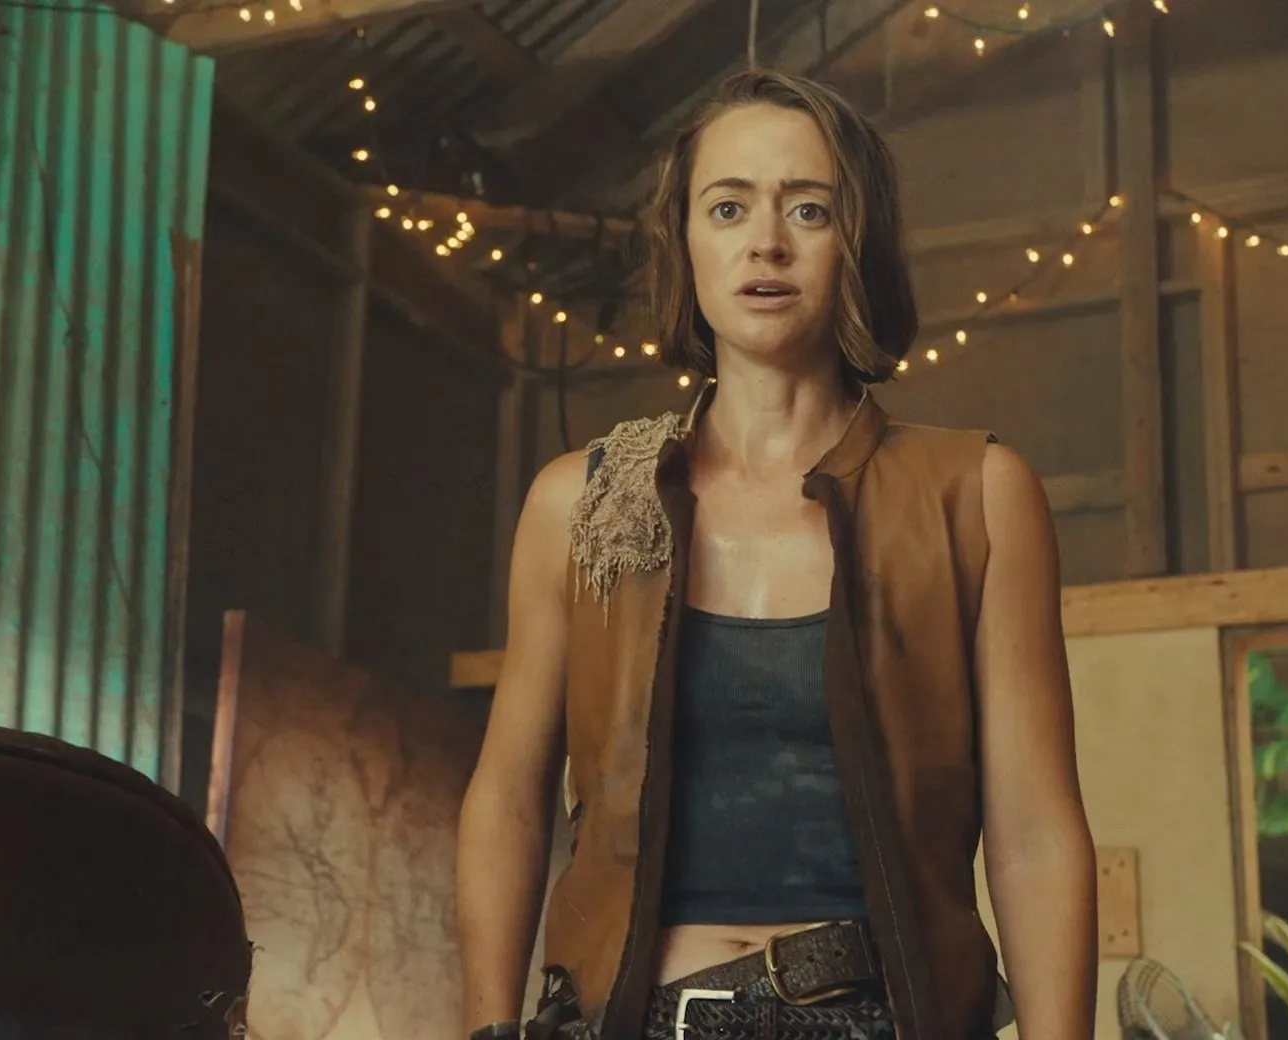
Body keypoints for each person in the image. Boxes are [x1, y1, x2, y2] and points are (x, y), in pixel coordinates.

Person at [455, 69, 1097, 1040]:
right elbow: (508, 799)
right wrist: (485, 1028)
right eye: (728, 207)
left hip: (878, 1017)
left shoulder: (978, 492)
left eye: (809, 208)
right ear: (685, 242)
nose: (767, 242)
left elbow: (1035, 832)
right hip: (625, 1017)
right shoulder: (580, 502)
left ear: (858, 241)